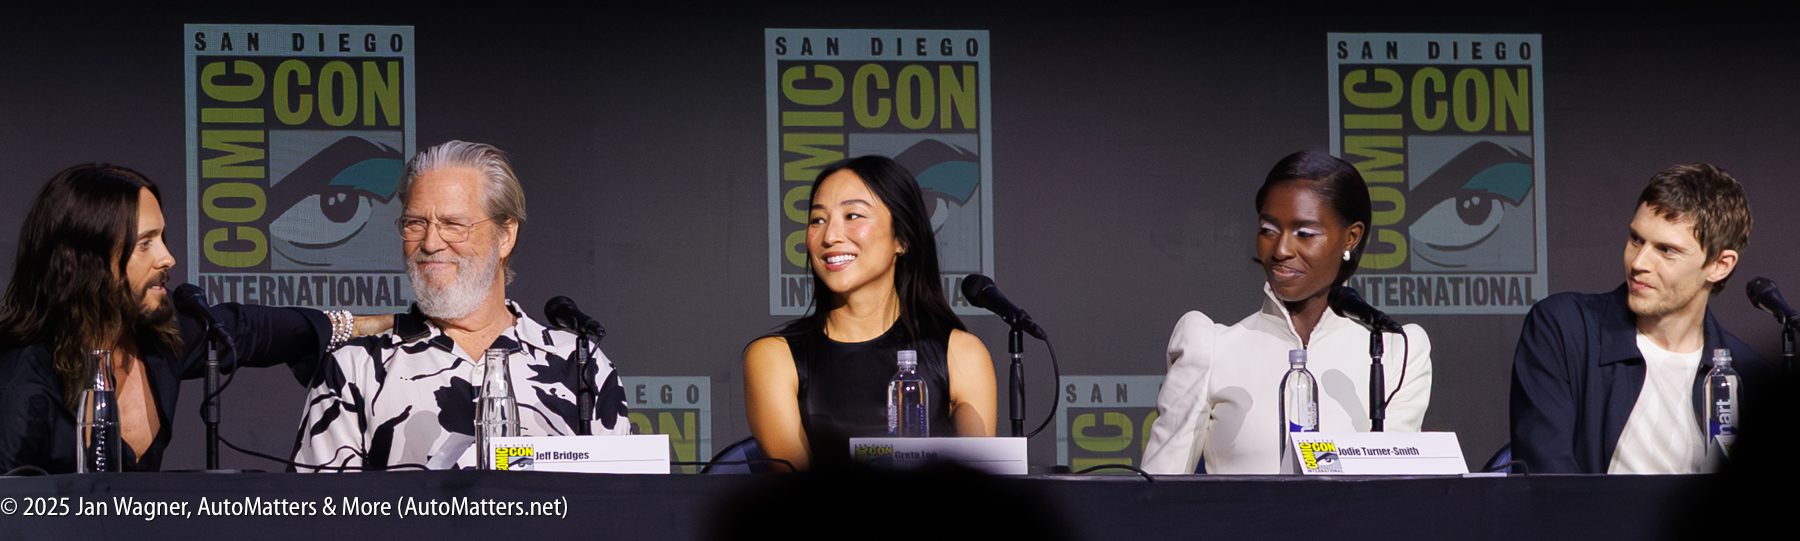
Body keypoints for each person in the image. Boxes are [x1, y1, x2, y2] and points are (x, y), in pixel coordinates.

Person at [0, 164, 386, 474]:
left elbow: (250, 330)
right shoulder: (22, 377)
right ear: (87, 261)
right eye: (146, 243)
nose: (168, 258)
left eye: (163, 238)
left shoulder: (155, 343)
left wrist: (375, 324)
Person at [293, 140, 631, 472]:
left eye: (453, 225)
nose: (430, 242)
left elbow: (626, 509)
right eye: (415, 223)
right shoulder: (356, 367)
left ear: (505, 236)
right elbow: (319, 517)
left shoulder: (580, 364)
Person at [1141, 150, 1434, 474]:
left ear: (1351, 237)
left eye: (1304, 234)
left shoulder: (1395, 350)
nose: (1281, 249)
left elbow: (1402, 494)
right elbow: (1157, 494)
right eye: (1268, 229)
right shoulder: (1210, 347)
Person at [1510, 163, 1770, 474]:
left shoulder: (1747, 376)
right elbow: (1547, 477)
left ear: (1719, 265)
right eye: (1636, 239)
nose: (1639, 262)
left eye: (1667, 250)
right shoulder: (1565, 329)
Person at [743, 155, 997, 471]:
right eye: (817, 220)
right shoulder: (774, 357)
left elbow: (980, 493)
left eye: (853, 215)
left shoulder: (960, 353)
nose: (830, 236)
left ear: (902, 239)